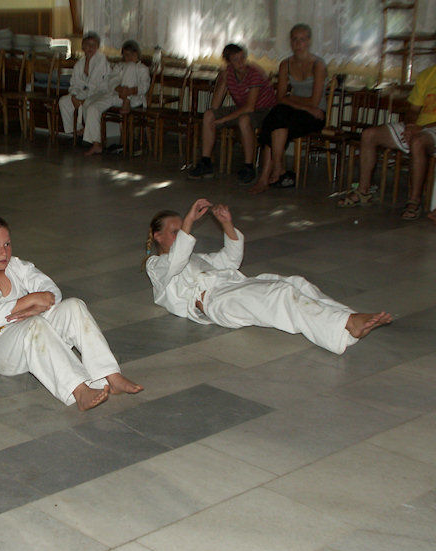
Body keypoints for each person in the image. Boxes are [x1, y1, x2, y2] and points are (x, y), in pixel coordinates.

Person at [144, 199, 392, 354]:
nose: (182, 235)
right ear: (157, 236)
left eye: (183, 230)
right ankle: (346, 323)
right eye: (176, 231)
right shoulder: (155, 266)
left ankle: (348, 323)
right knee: (281, 295)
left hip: (233, 286)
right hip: (215, 301)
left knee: (295, 283)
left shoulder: (197, 258)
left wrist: (227, 224)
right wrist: (189, 220)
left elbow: (230, 260)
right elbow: (176, 260)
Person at [0, 216, 143, 411]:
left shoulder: (16, 266)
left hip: (30, 329)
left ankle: (110, 375)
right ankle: (79, 390)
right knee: (35, 325)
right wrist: (30, 300)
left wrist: (35, 306)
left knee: (74, 306)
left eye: (7, 244)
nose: (4, 251)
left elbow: (52, 292)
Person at [336, 64, 436, 220]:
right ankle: (363, 191)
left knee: (417, 142)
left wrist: (420, 128)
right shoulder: (428, 74)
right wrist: (410, 126)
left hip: (430, 129)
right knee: (369, 134)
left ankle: (414, 201)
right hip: (418, 127)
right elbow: (413, 110)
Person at [249, 24, 327, 194]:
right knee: (277, 120)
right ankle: (277, 168)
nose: (298, 44)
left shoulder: (318, 64)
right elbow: (280, 97)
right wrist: (294, 101)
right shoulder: (285, 64)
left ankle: (267, 176)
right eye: (295, 40)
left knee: (275, 120)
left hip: (315, 115)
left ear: (309, 41)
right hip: (292, 112)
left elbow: (314, 101)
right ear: (290, 42)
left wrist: (291, 98)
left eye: (302, 40)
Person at [187, 43, 276, 184]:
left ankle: (249, 166)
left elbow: (250, 107)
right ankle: (206, 162)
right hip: (242, 108)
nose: (241, 63)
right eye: (235, 60)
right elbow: (215, 105)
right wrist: (222, 80)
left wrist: (223, 120)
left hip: (264, 110)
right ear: (228, 62)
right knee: (209, 115)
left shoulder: (254, 73)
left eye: (242, 58)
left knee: (244, 120)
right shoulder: (228, 73)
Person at [83, 39, 151, 156]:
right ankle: (96, 143)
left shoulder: (142, 68)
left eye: (129, 55)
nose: (127, 58)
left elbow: (144, 86)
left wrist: (130, 91)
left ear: (136, 54)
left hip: (135, 99)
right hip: (117, 95)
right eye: (125, 55)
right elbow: (112, 81)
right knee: (92, 107)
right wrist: (120, 89)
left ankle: (126, 100)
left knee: (131, 67)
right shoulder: (119, 66)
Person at [58, 32, 111, 151]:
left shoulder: (101, 60)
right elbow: (74, 83)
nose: (90, 47)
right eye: (87, 44)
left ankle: (91, 139)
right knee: (64, 101)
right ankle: (77, 130)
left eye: (93, 45)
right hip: (83, 93)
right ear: (83, 46)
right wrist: (74, 95)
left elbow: (94, 84)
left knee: (88, 105)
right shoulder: (80, 63)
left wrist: (82, 98)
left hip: (99, 92)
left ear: (97, 47)